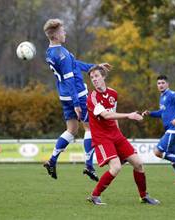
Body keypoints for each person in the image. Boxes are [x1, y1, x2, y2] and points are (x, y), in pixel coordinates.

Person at [42, 18, 111, 181]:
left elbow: (75, 64)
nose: (65, 32)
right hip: (77, 96)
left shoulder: (51, 52)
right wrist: (76, 104)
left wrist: (95, 67)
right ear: (56, 35)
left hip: (64, 96)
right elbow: (70, 79)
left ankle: (52, 160)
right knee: (90, 128)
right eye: (63, 30)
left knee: (72, 130)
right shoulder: (63, 55)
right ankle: (89, 165)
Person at [86, 66, 160, 205]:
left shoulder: (113, 94)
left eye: (97, 76)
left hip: (116, 135)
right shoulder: (92, 98)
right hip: (102, 137)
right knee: (116, 167)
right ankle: (94, 196)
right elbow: (106, 115)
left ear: (103, 77)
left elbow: (113, 116)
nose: (94, 79)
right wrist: (129, 115)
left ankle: (144, 196)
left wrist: (119, 135)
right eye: (92, 77)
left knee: (138, 164)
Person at [142, 75, 175, 185]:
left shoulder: (171, 94)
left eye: (163, 83)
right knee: (172, 158)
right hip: (172, 130)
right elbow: (161, 113)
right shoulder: (162, 97)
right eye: (159, 83)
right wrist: (150, 113)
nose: (161, 85)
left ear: (167, 84)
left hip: (173, 129)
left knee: (157, 152)